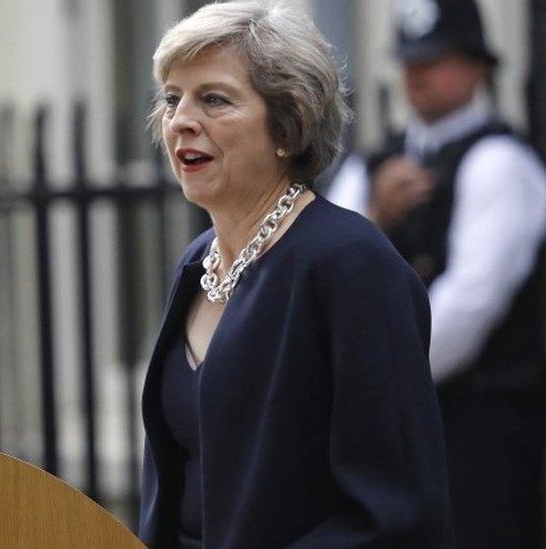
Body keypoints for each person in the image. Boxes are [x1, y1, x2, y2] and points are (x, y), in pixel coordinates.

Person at [138, 2, 452, 547]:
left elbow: (396, 513)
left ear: (288, 124)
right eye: (172, 98)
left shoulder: (352, 265)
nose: (181, 120)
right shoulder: (195, 265)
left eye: (214, 99)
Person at [327, 1, 546, 547]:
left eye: (436, 59)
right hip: (385, 426)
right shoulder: (371, 167)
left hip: (476, 430)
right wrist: (377, 220)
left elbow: (471, 305)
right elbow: (321, 278)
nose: (418, 74)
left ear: (479, 67)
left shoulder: (500, 162)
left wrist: (377, 382)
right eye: (409, 60)